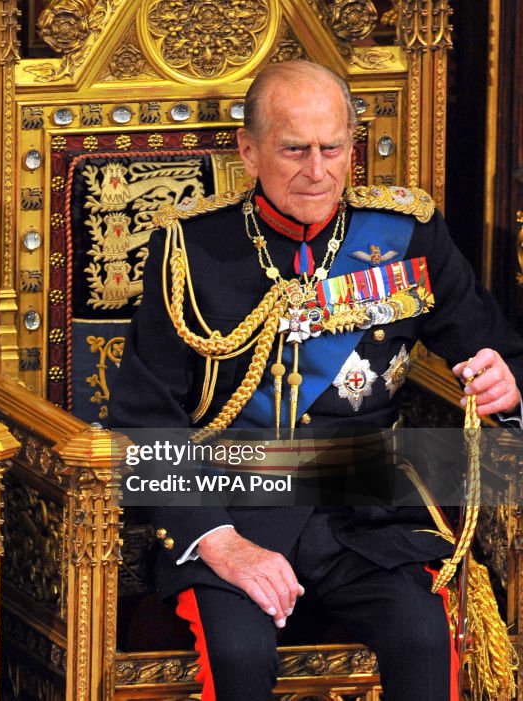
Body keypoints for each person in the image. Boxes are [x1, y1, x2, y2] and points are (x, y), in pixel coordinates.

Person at [108, 60, 523, 701]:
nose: (317, 170)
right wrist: (218, 542)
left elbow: (501, 352)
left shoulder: (406, 233)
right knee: (239, 656)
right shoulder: (192, 249)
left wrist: (508, 386)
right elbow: (142, 420)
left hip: (364, 516)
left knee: (425, 639)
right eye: (294, 149)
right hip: (234, 514)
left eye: (333, 148)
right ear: (249, 151)